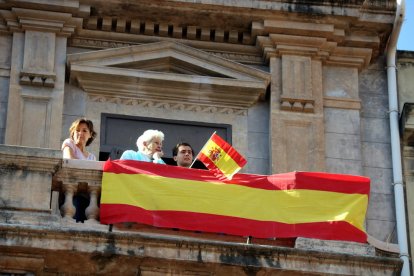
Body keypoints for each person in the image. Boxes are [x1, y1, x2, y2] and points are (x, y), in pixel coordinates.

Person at [61, 118, 97, 222]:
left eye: (84, 130)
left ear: (90, 135)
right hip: (72, 197)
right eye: (77, 130)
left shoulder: (92, 157)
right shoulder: (69, 143)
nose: (80, 133)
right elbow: (70, 159)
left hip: (88, 198)